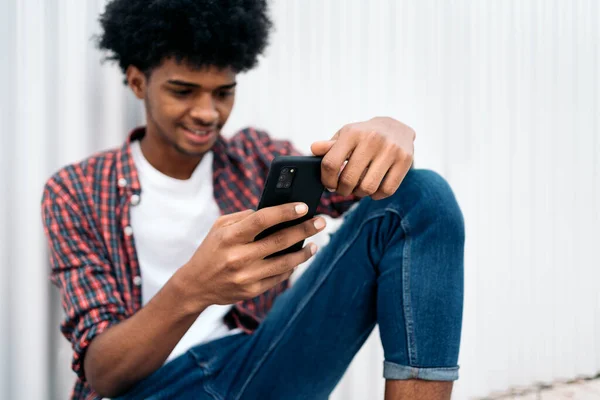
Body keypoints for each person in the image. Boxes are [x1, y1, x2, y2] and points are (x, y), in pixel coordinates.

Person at [41, 1, 464, 399]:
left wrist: (387, 133)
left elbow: (385, 202)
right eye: (183, 91)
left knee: (422, 194)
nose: (207, 112)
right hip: (153, 388)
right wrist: (194, 287)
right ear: (137, 82)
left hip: (257, 370)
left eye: (222, 93)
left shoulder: (255, 158)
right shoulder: (77, 189)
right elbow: (103, 373)